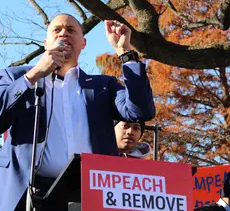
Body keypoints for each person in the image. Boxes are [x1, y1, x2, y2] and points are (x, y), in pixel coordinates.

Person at [0, 13, 155, 211]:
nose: (64, 33)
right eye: (57, 30)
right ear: (46, 43)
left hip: (88, 195)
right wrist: (34, 75)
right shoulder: (15, 77)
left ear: (83, 43)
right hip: (25, 193)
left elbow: (141, 110)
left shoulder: (102, 86)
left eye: (71, 30)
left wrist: (125, 52)